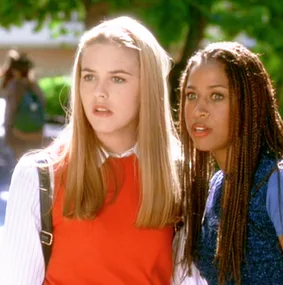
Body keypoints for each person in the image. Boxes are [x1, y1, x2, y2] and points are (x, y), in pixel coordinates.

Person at [0, 16, 181, 285]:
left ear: (148, 88)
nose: (99, 92)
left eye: (118, 79)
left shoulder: (181, 177)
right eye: (89, 77)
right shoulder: (39, 176)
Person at [177, 42, 283, 285]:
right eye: (191, 95)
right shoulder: (217, 186)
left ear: (249, 104)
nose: (199, 110)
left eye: (217, 96)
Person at [0, 50, 46, 160]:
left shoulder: (15, 86)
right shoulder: (34, 85)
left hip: (17, 134)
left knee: (18, 166)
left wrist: (8, 132)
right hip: (36, 133)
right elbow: (43, 104)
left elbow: (11, 110)